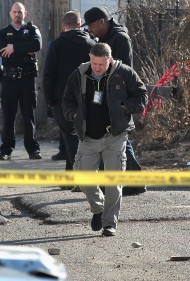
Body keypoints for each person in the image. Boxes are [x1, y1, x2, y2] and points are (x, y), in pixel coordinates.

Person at [63, 42, 147, 237]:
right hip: (88, 136)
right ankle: (98, 209)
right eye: (94, 63)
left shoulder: (124, 73)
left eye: (101, 64)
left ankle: (110, 224)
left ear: (109, 60)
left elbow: (141, 96)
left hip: (115, 135)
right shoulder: (80, 74)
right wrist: (74, 115)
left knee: (113, 182)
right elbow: (66, 100)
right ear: (89, 58)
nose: (97, 68)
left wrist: (125, 107)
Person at [82, 7, 147, 195]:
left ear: (102, 21)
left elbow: (122, 70)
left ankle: (133, 182)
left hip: (116, 95)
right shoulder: (104, 38)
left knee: (117, 136)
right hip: (104, 94)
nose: (91, 30)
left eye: (93, 25)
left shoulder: (119, 39)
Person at [43, 10, 96, 173]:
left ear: (62, 26)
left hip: (63, 99)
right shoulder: (91, 45)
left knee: (69, 136)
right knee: (85, 137)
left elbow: (49, 74)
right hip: (88, 97)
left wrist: (50, 100)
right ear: (79, 25)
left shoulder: (57, 45)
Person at [0, 2, 42, 160]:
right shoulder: (3, 33)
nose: (17, 14)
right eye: (15, 12)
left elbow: (37, 45)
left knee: (29, 114)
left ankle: (33, 149)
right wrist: (24, 49)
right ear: (10, 13)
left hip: (28, 79)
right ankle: (6, 150)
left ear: (25, 13)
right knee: (9, 115)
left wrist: (14, 48)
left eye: (20, 12)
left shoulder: (32, 30)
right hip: (9, 79)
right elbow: (3, 52)